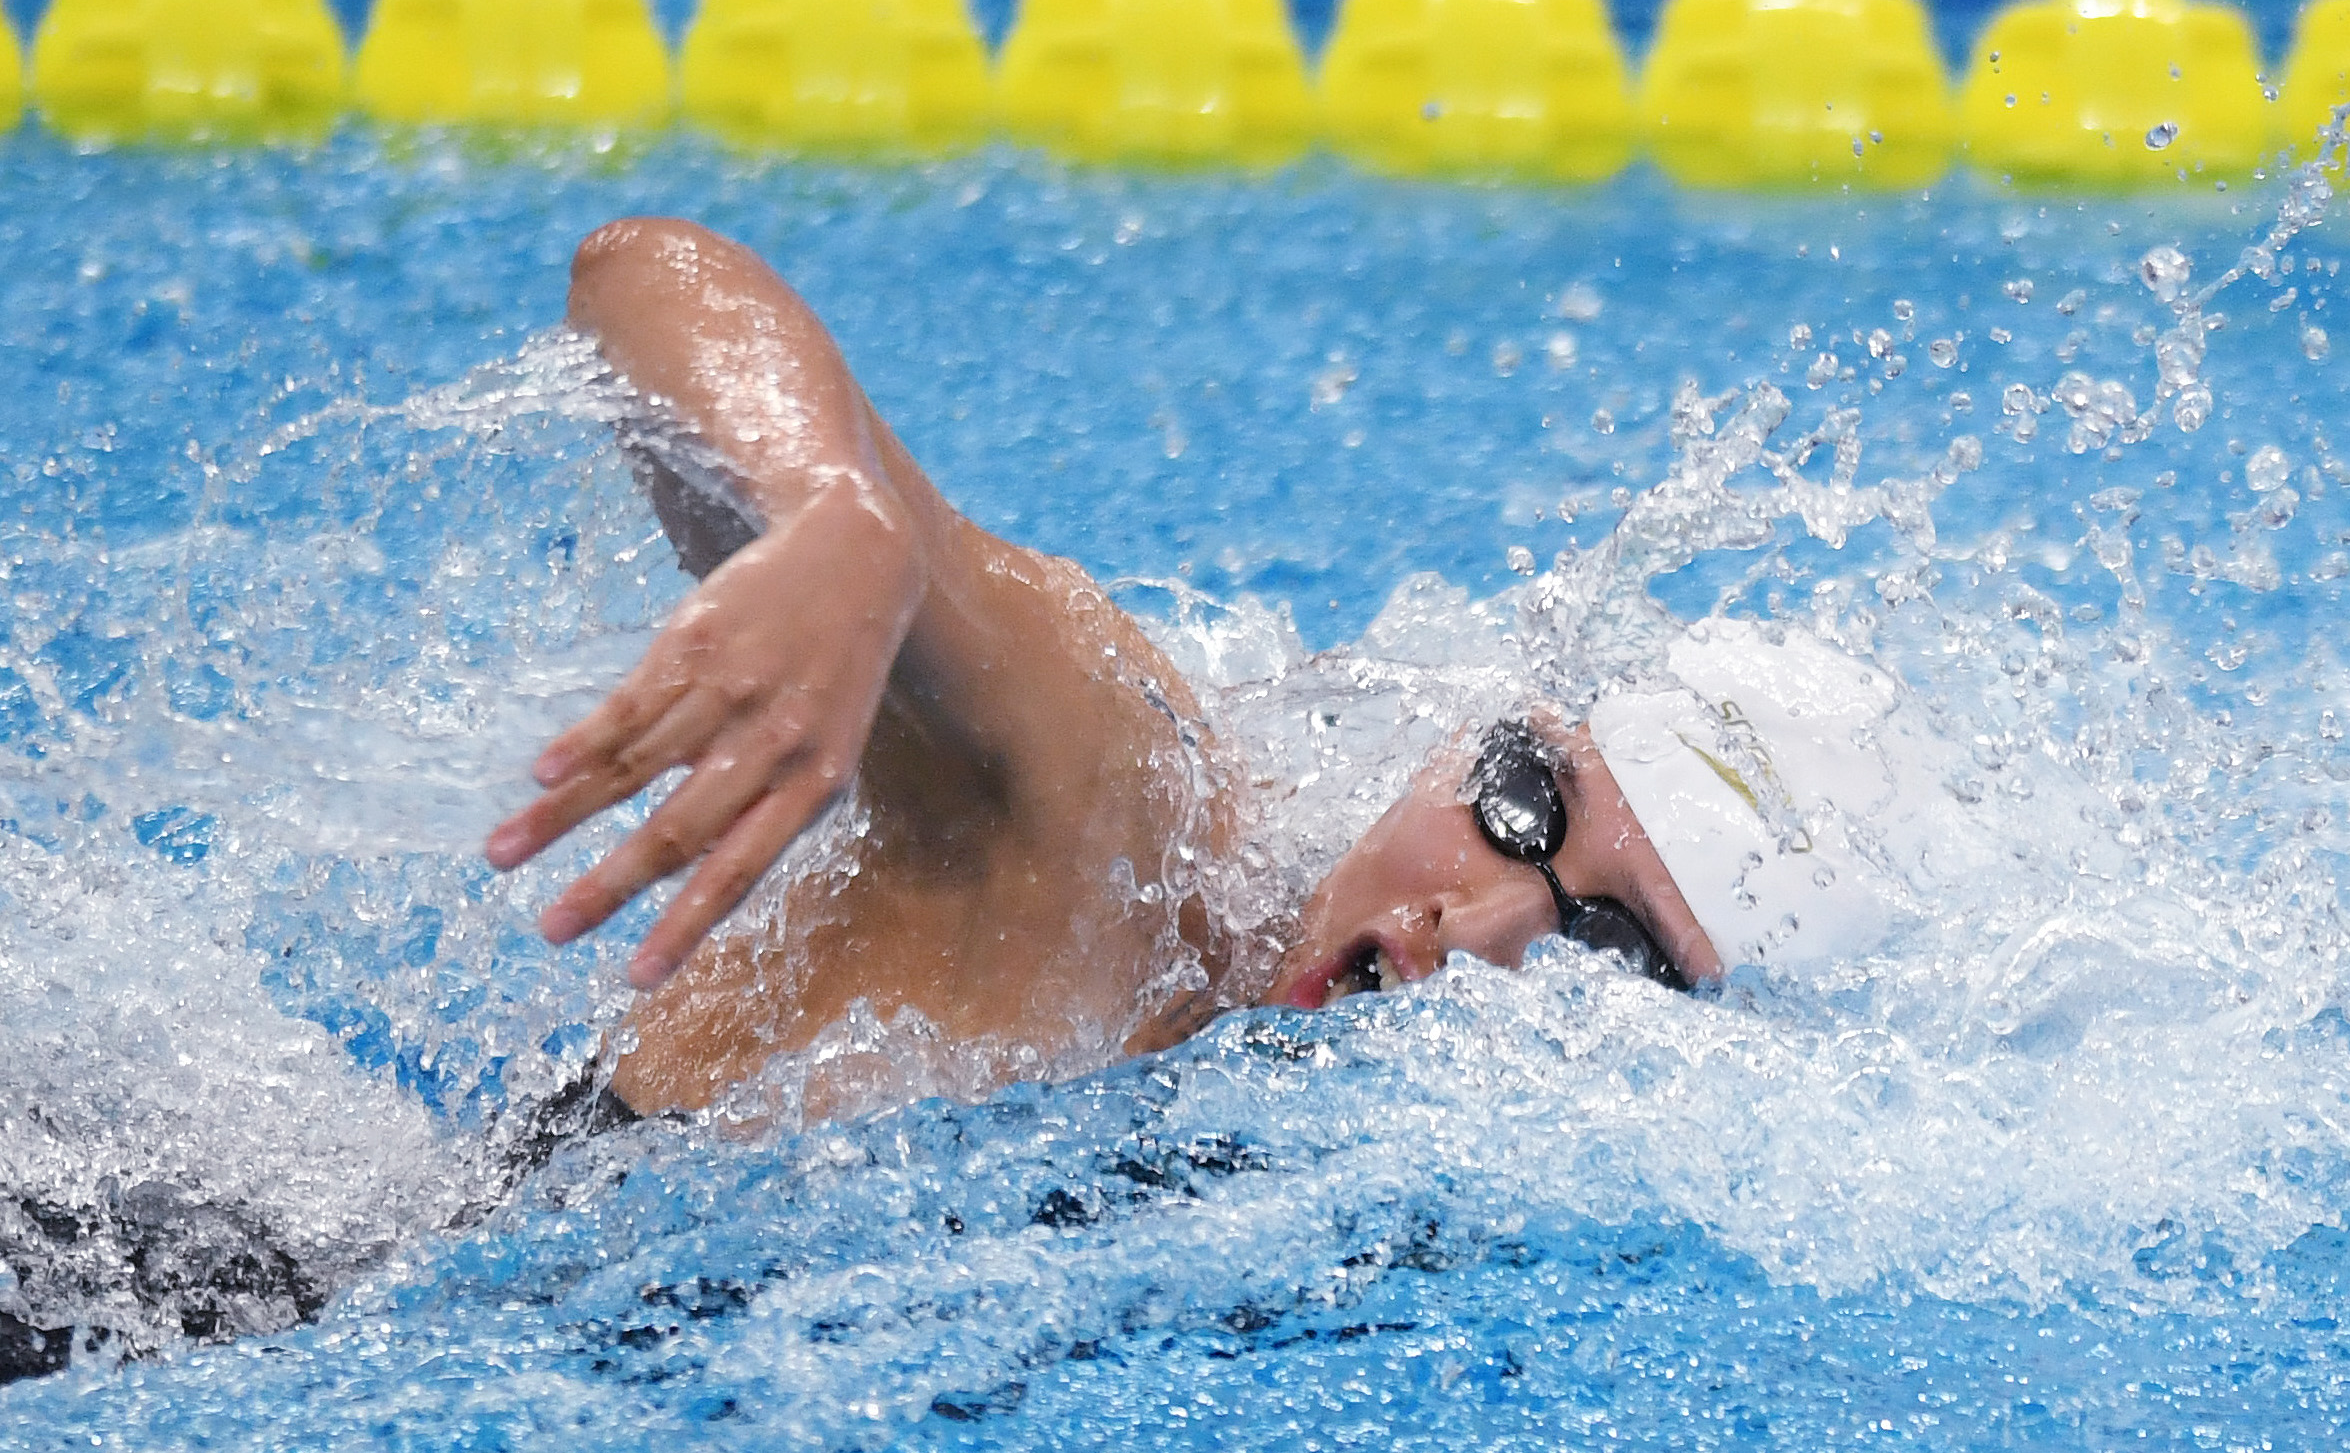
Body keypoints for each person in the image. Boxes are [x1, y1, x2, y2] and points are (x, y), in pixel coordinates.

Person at [489, 218, 1906, 1125]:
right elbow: (645, 277)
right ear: (1468, 741)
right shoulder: (1113, 830)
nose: (1465, 929)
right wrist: (837, 518)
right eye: (1523, 806)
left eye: (1611, 945)